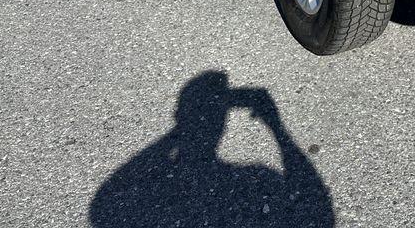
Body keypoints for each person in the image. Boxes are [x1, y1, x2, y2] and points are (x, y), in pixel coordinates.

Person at [89, 71, 333, 227]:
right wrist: (276, 127)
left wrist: (181, 130)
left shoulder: (106, 210)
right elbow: (318, 205)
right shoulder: (102, 211)